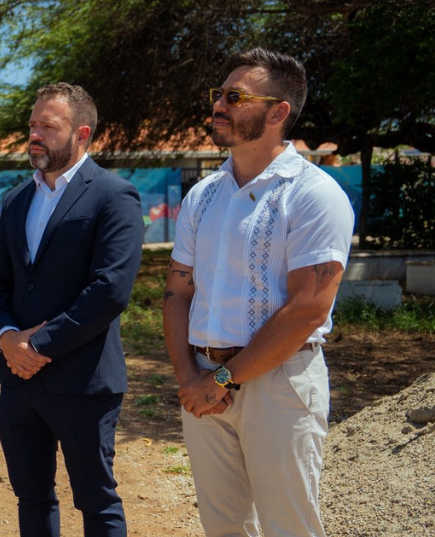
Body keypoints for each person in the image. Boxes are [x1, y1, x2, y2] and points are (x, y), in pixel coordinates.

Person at [164, 48, 353, 537]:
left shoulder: (313, 193)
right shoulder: (202, 196)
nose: (219, 106)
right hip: (204, 382)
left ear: (277, 112)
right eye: (218, 95)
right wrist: (192, 377)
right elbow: (177, 294)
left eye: (235, 96)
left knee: (288, 527)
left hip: (280, 386)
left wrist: (223, 379)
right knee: (224, 529)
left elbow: (307, 309)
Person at [0, 83, 143, 537]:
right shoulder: (17, 199)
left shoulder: (114, 195)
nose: (35, 134)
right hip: (18, 379)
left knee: (97, 501)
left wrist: (38, 344)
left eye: (48, 126)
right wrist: (7, 338)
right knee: (31, 498)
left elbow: (110, 290)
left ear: (82, 133)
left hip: (83, 382)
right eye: (32, 125)